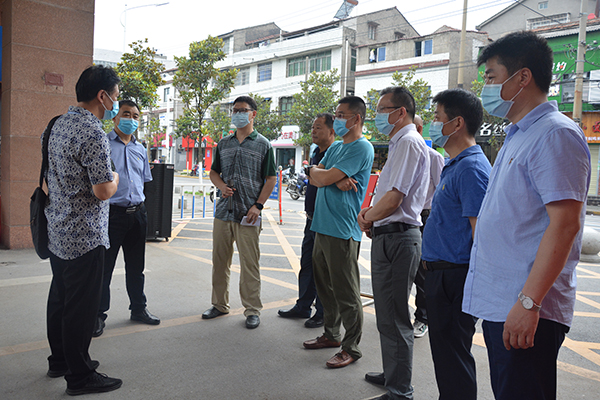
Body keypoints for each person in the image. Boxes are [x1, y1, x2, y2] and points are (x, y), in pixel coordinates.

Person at [463, 31, 591, 400]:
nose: (486, 87)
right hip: (505, 302)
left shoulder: (555, 135)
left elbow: (565, 225)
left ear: (522, 78)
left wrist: (528, 303)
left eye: (491, 76)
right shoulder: (519, 134)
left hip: (526, 305)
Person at [44, 65, 122, 395]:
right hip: (85, 237)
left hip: (57, 230)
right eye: (115, 96)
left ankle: (59, 361)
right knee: (80, 309)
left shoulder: (56, 124)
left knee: (60, 299)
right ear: (102, 96)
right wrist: (115, 178)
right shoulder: (92, 132)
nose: (116, 103)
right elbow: (103, 190)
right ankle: (80, 375)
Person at [358, 87, 430, 400]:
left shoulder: (409, 142)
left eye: (381, 109)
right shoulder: (400, 143)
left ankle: (400, 390)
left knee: (395, 315)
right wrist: (373, 218)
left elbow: (394, 199)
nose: (376, 116)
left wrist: (367, 217)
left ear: (400, 112)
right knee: (387, 313)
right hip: (391, 235)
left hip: (398, 237)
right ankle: (393, 373)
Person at [421, 89, 491, 400]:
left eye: (437, 118)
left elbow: (481, 234)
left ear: (457, 123)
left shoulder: (471, 169)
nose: (433, 124)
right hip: (441, 274)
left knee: (453, 356)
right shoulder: (455, 164)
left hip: (454, 277)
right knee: (446, 355)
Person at [302, 96, 374, 369]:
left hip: (342, 230)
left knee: (347, 293)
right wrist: (328, 176)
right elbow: (315, 175)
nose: (338, 119)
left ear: (356, 118)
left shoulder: (362, 147)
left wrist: (327, 176)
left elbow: (322, 177)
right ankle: (331, 335)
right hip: (321, 226)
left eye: (342, 115)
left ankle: (351, 347)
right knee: (325, 288)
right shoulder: (336, 147)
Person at [202, 96, 277, 329]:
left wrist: (258, 205)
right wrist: (221, 186)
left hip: (249, 214)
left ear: (253, 114)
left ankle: (252, 309)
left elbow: (271, 178)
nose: (237, 114)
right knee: (219, 262)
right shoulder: (224, 143)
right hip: (223, 212)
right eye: (234, 110)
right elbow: (214, 172)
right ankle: (219, 304)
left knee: (250, 264)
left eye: (242, 110)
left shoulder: (263, 144)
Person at [93, 100, 159, 338]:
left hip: (137, 215)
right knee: (105, 269)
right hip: (112, 216)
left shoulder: (140, 149)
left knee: (136, 267)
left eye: (135, 116)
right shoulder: (103, 144)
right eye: (126, 114)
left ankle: (139, 309)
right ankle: (98, 315)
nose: (131, 119)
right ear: (115, 117)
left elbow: (144, 181)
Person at [278, 113, 337, 328]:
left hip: (326, 221)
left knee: (323, 270)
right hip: (311, 219)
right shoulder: (315, 152)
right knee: (307, 265)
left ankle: (322, 312)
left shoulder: (335, 153)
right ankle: (303, 305)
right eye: (313, 127)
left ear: (332, 131)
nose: (313, 131)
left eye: (318, 127)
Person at [412, 115, 445, 339]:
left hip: (425, 217)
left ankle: (423, 318)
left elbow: (441, 193)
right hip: (405, 219)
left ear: (419, 128)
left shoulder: (433, 157)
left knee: (422, 273)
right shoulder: (400, 154)